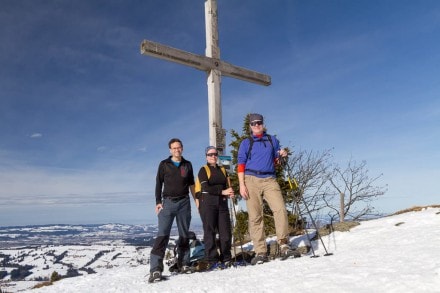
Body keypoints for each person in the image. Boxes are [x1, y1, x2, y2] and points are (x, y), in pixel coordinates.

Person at [237, 113, 299, 265]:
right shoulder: (246, 143)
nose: (256, 125)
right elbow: (241, 165)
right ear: (250, 126)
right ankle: (260, 251)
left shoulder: (272, 140)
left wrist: (282, 154)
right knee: (255, 216)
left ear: (263, 124)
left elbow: (276, 161)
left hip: (270, 179)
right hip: (251, 180)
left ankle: (284, 243)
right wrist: (242, 185)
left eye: (259, 123)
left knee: (280, 209)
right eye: (253, 123)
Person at [148, 138, 196, 283]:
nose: (177, 150)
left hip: (184, 202)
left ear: (182, 148)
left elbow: (192, 185)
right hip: (167, 203)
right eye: (174, 148)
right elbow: (158, 183)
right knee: (162, 235)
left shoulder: (187, 165)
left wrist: (197, 201)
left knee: (184, 235)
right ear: (170, 150)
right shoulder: (164, 164)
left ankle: (184, 264)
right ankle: (155, 269)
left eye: (179, 147)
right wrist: (157, 202)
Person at [195, 146, 235, 270]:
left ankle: (226, 258)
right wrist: (222, 192)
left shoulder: (222, 169)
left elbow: (226, 185)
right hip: (207, 203)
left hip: (222, 203)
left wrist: (229, 192)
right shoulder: (203, 170)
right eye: (210, 154)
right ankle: (212, 259)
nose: (213, 156)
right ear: (206, 156)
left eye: (215, 154)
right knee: (210, 232)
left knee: (225, 232)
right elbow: (205, 188)